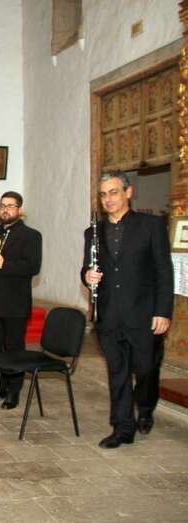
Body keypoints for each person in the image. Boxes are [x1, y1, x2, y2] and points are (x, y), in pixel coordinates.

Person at [82, 171, 173, 449]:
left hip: (143, 314)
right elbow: (87, 268)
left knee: (145, 369)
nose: (107, 199)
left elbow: (163, 270)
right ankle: (123, 428)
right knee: (118, 373)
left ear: (128, 193)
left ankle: (145, 407)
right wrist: (86, 276)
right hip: (109, 315)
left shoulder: (151, 225)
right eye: (103, 194)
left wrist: (163, 311)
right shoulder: (93, 232)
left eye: (113, 192)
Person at [0, 191, 42, 410]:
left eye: (10, 206)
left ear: (19, 210)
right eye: (2, 206)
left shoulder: (31, 236)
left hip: (15, 303)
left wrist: (5, 265)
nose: (5, 209)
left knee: (14, 349)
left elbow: (32, 267)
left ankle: (14, 392)